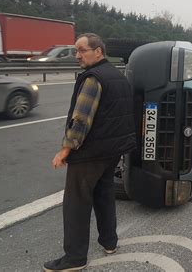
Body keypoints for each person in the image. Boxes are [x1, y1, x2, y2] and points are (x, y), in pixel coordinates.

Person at [43, 33, 136, 271]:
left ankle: (74, 258)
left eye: (82, 50)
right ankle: (109, 242)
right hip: (112, 150)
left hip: (91, 152)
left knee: (76, 202)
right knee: (104, 194)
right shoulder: (118, 75)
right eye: (76, 51)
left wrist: (65, 150)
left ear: (98, 51)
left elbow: (81, 119)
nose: (77, 55)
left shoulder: (93, 78)